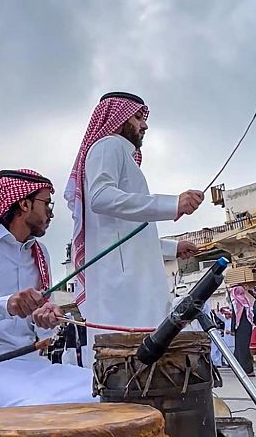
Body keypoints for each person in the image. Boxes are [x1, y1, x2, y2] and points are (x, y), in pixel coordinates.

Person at [64, 91, 202, 357]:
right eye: (137, 117)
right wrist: (172, 204)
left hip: (134, 281)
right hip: (123, 285)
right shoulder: (108, 146)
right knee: (125, 357)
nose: (144, 125)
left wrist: (172, 248)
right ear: (118, 119)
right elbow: (101, 197)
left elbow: (127, 233)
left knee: (145, 355)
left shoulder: (121, 155)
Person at [0, 169, 94, 408]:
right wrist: (7, 305)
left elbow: (41, 332)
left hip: (30, 364)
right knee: (38, 411)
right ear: (24, 204)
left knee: (100, 389)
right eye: (46, 204)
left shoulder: (40, 253)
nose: (51, 213)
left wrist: (45, 319)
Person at [229, 285, 256, 374]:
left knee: (241, 348)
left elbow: (235, 316)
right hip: (247, 326)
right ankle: (245, 368)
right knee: (243, 347)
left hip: (240, 327)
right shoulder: (246, 300)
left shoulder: (236, 302)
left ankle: (245, 369)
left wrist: (232, 329)